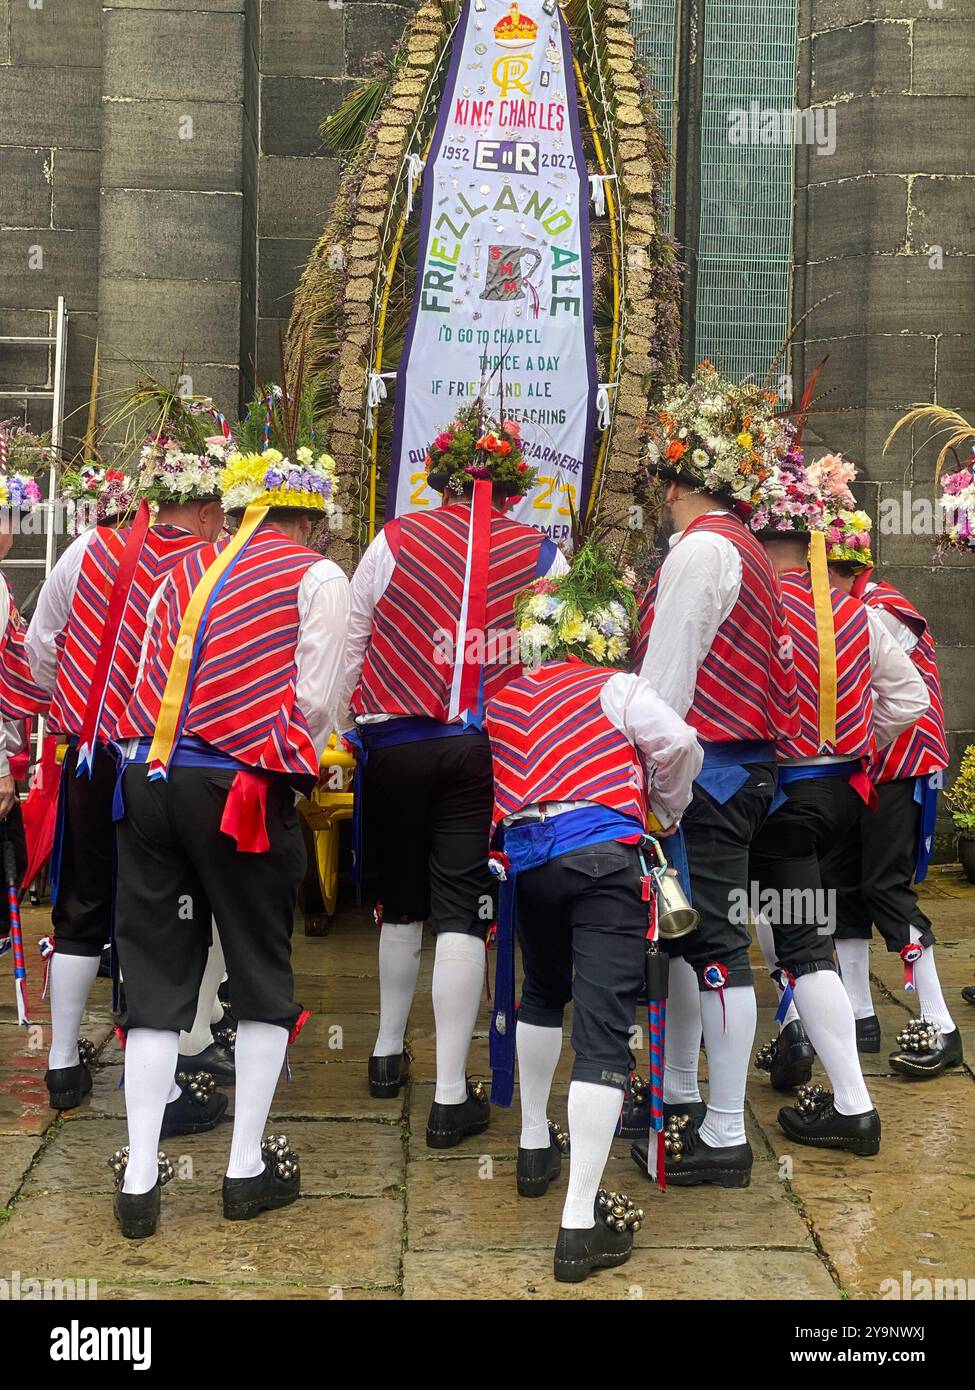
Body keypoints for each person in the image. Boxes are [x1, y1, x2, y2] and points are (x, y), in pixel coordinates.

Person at [109, 391, 349, 1237]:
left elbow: (141, 680)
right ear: (309, 522)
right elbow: (316, 705)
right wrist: (290, 766)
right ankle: (244, 1170)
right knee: (257, 975)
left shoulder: (176, 570)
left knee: (153, 979)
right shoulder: (316, 576)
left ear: (243, 512)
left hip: (148, 782)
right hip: (237, 792)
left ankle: (139, 1178)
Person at [341, 404, 567, 1149]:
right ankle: (446, 1096)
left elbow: (354, 634)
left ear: (436, 479)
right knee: (463, 910)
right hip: (482, 753)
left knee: (399, 904)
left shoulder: (392, 540)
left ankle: (381, 1052)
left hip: (394, 745)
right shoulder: (540, 554)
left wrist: (341, 726)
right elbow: (557, 659)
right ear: (511, 487)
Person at [485, 540, 702, 1282]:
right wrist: (665, 807)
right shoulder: (618, 687)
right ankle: (578, 1222)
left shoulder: (505, 695)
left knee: (542, 994)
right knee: (605, 1033)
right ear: (602, 634)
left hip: (530, 867)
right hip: (606, 864)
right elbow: (677, 743)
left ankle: (533, 1143)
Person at [26, 404, 231, 1118]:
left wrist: (81, 706)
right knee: (168, 910)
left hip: (89, 753)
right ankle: (175, 1058)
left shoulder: (89, 549)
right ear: (204, 509)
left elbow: (40, 644)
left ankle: (60, 1064)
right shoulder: (218, 566)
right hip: (166, 761)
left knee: (79, 901)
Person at [628, 363, 798, 1189]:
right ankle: (686, 1096)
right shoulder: (741, 548)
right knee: (695, 942)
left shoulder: (701, 552)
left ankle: (725, 1132)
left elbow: (663, 687)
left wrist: (648, 785)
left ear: (671, 477)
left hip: (708, 776)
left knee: (719, 947)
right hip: (736, 770)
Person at [747, 459, 929, 1153]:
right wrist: (858, 742)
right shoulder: (859, 616)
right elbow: (908, 701)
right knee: (806, 927)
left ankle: (796, 1050)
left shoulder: (753, 609)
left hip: (778, 796)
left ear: (760, 542)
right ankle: (820, 1058)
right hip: (845, 793)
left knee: (769, 926)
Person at [820, 509, 963, 1078]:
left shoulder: (883, 611)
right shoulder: (846, 608)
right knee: (844, 892)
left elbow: (887, 691)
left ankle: (940, 1023)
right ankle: (860, 1016)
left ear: (857, 570)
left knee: (884, 888)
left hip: (898, 768)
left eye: (829, 573)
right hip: (862, 769)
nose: (819, 585)